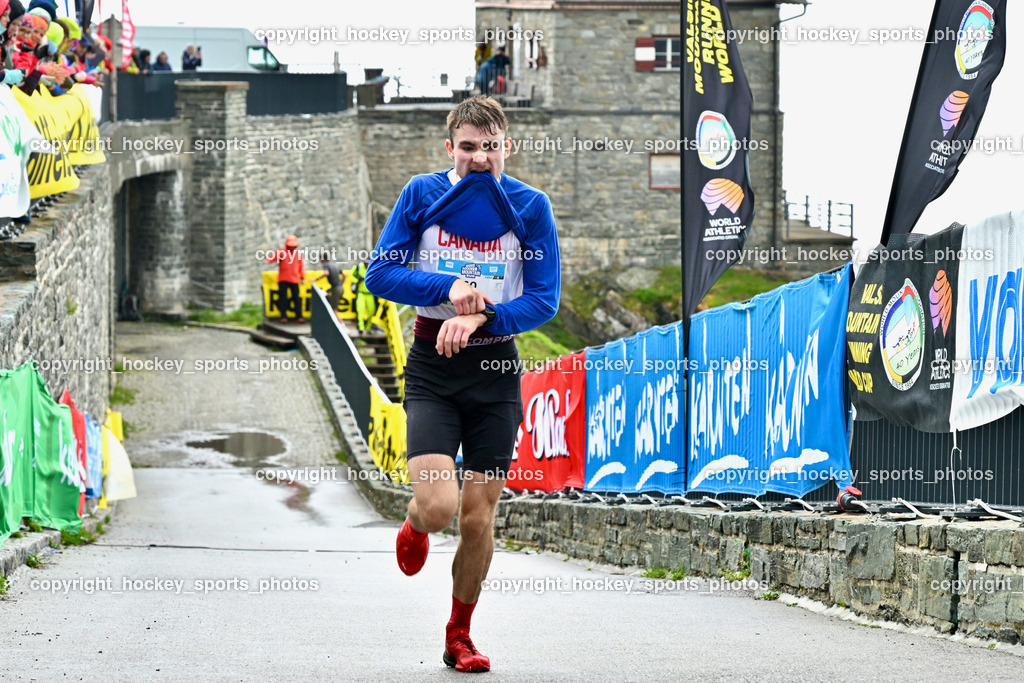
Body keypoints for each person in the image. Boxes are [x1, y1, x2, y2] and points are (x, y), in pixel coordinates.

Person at [364, 94, 560, 673]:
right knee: (439, 504)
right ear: (450, 149)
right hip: (432, 368)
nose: (480, 158)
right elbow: (381, 272)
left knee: (477, 516)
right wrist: (447, 289)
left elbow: (543, 298)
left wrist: (481, 316)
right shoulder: (422, 194)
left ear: (507, 148)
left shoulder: (531, 205)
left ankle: (459, 634)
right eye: (469, 147)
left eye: (491, 147)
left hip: (496, 372)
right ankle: (414, 521)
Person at [266, 234, 306, 323]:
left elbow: (301, 266)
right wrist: (267, 261)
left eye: (294, 246)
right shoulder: (281, 252)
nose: (292, 248)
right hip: (283, 279)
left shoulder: (297, 254)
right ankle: (283, 316)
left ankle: (299, 316)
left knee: (296, 298)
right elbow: (272, 258)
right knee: (283, 298)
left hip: (294, 279)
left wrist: (302, 277)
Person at [320, 249, 343, 315]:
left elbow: (326, 273)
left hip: (336, 289)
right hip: (340, 288)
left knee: (334, 310)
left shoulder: (326, 265)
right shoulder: (334, 264)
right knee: (328, 296)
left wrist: (316, 279)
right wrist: (341, 283)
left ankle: (340, 324)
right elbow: (344, 275)